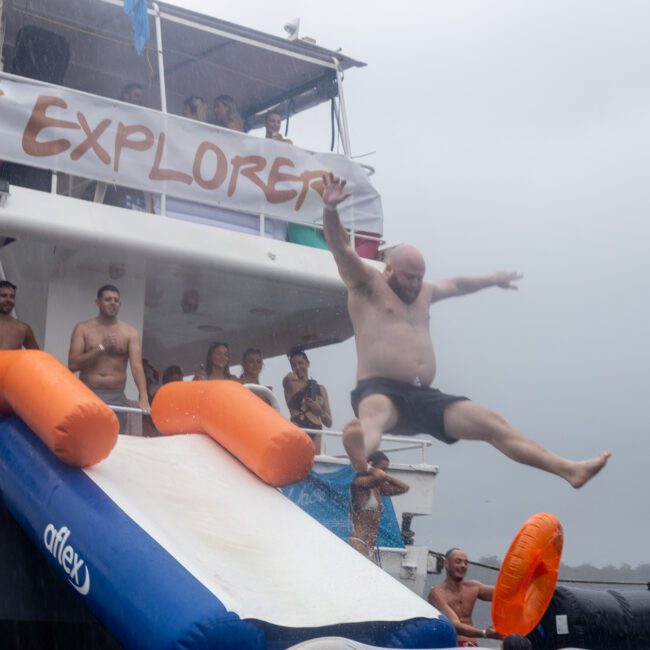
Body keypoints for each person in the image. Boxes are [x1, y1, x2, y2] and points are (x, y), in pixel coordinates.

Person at [320, 172, 610, 488]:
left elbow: (456, 285)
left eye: (420, 277)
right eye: (409, 277)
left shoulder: (424, 292)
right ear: (388, 268)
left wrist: (492, 279)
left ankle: (569, 470)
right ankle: (360, 449)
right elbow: (340, 250)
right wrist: (331, 211)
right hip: (379, 389)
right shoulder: (366, 285)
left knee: (492, 424)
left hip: (423, 395)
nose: (416, 284)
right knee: (372, 422)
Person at [68, 285, 150, 434]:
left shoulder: (130, 332)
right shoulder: (83, 329)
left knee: (115, 442)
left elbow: (137, 367)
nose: (113, 303)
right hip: (87, 393)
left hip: (116, 396)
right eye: (108, 299)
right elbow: (73, 365)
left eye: (116, 300)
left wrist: (143, 397)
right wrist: (101, 347)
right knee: (86, 439)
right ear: (98, 302)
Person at [428, 548, 502, 647]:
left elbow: (503, 593)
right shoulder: (437, 594)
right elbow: (454, 625)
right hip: (451, 646)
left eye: (466, 563)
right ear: (446, 564)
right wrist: (484, 633)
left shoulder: (473, 587)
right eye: (458, 561)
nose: (463, 565)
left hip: (472, 645)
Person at [348, 449, 409, 560]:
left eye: (386, 470)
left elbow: (404, 488)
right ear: (371, 467)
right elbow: (379, 476)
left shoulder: (377, 488)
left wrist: (386, 476)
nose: (385, 472)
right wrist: (369, 467)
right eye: (383, 468)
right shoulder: (359, 482)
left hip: (370, 545)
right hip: (358, 541)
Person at [283, 348, 332, 453]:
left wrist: (320, 412)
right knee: (299, 464)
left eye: (300, 363)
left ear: (308, 363)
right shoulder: (290, 384)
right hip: (298, 428)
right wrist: (289, 377)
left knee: (317, 463)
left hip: (316, 429)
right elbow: (285, 381)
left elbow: (329, 422)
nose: (297, 367)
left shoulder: (321, 389)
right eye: (293, 365)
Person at [0, 280, 39, 350]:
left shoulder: (22, 328)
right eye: (3, 296)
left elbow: (37, 355)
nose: (8, 300)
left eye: (12, 296)